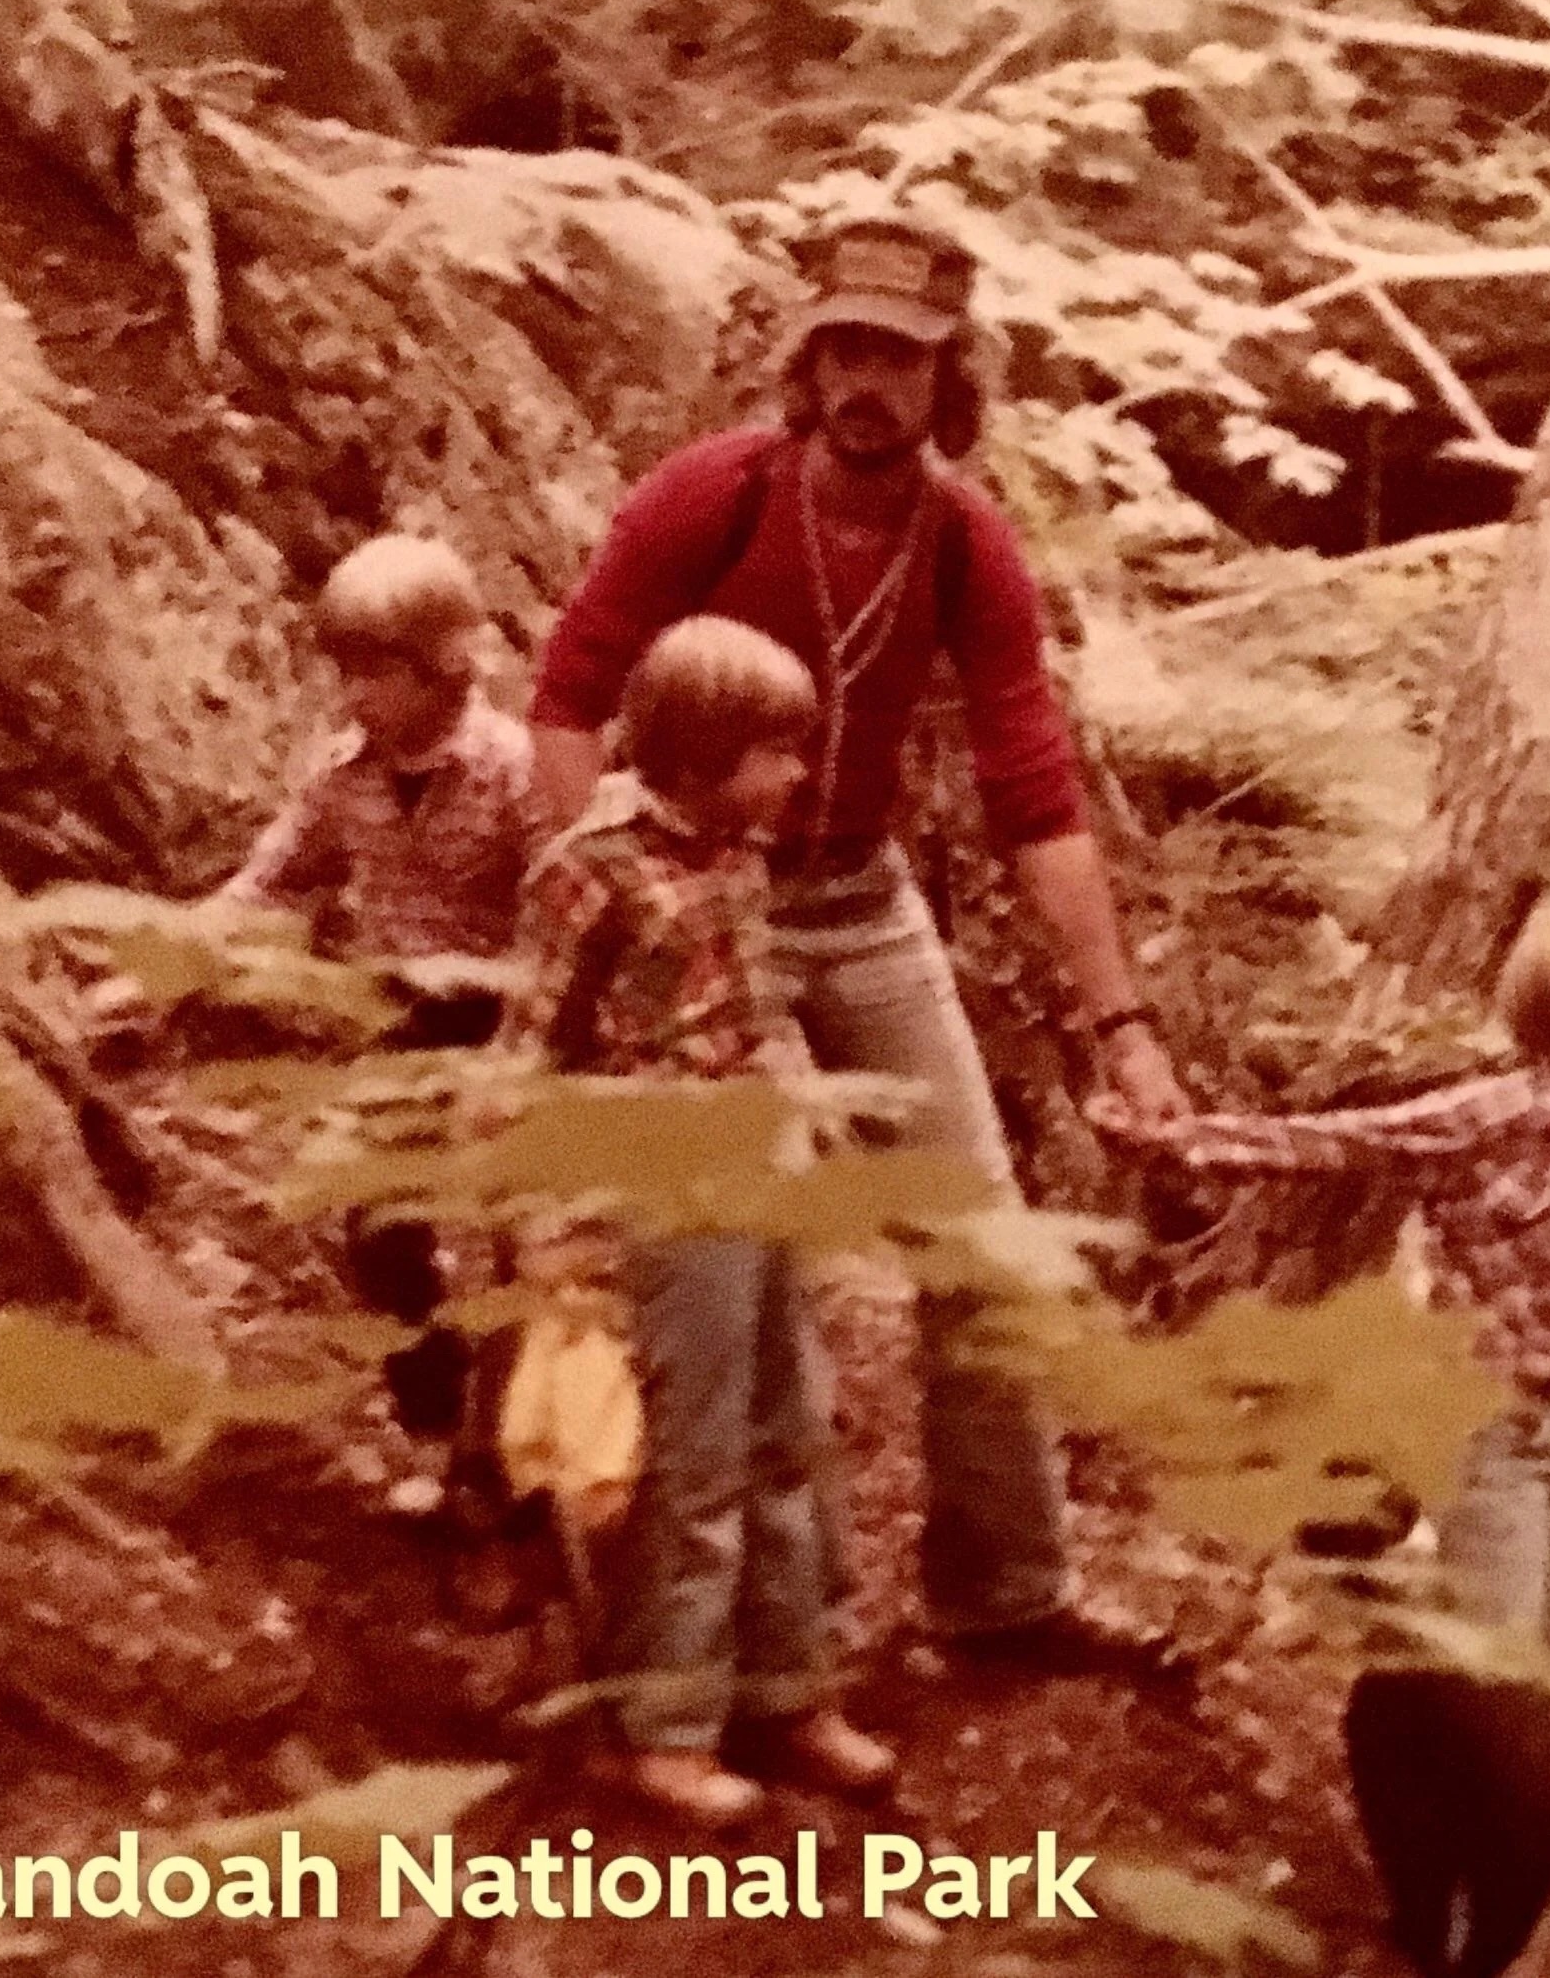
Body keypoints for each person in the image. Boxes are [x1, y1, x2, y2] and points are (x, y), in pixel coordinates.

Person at [529, 216, 1187, 1672]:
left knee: (985, 1243)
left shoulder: (967, 544)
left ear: (950, 382)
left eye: (900, 358)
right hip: (708, 908)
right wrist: (625, 892)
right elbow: (567, 696)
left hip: (864, 900)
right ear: (807, 359)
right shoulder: (711, 499)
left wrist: (1120, 1023)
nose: (866, 383)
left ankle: (1005, 1594)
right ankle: (779, 1652)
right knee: (759, 1279)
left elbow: (1035, 794)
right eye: (845, 349)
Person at [511, 616, 893, 1826]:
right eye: (774, 754)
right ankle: (663, 1723)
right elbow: (527, 1052)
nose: (796, 777)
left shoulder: (738, 852)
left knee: (795, 1425)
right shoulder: (591, 866)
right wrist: (537, 1218)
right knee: (698, 1451)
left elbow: (756, 1009)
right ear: (698, 752)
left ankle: (789, 1689)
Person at [1089, 896, 1550, 1652]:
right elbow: (1336, 1143)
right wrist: (1178, 1141)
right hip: (1482, 1425)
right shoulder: (1493, 1114)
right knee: (1503, 1667)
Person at [219, 532, 540, 964]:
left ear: (443, 664)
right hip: (377, 1007)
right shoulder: (345, 774)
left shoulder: (511, 767)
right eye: (346, 672)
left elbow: (561, 911)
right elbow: (263, 885)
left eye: (377, 673)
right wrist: (163, 961)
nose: (355, 694)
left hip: (488, 1012)